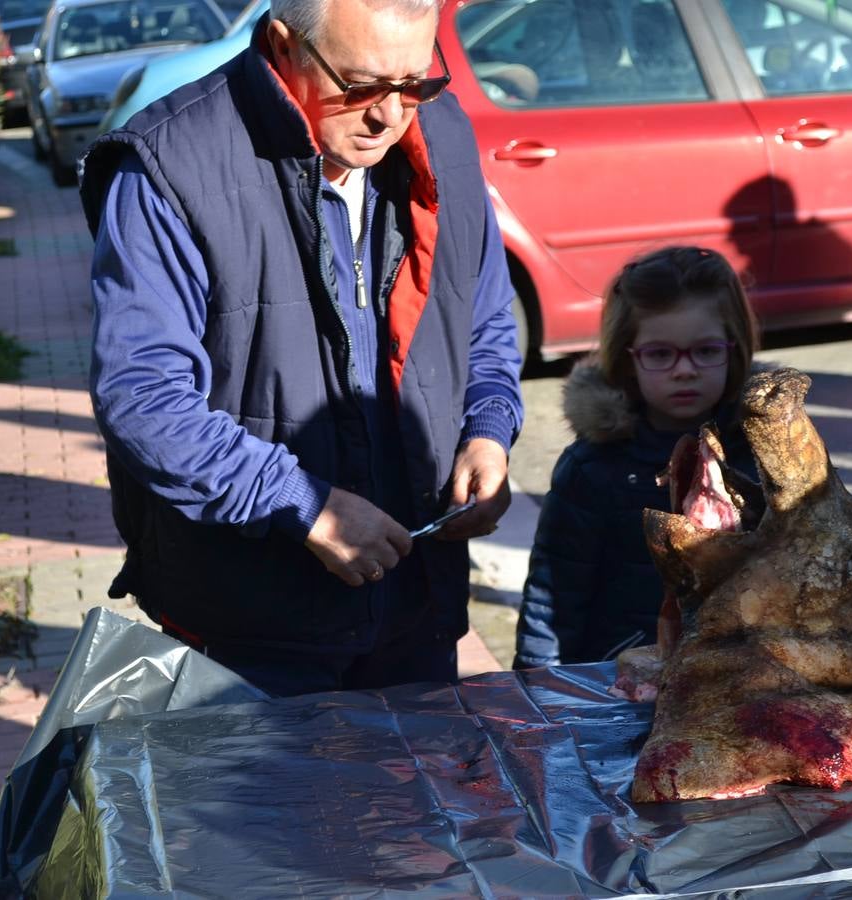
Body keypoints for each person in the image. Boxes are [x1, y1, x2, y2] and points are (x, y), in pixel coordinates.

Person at [77, 0, 524, 697]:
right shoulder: (168, 167)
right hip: (250, 632)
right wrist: (301, 503)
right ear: (285, 45)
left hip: (415, 613)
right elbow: (143, 399)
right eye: (362, 85)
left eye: (416, 81)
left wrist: (488, 431)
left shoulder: (443, 133)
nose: (391, 114)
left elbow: (485, 320)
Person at [513, 247, 759, 669]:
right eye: (660, 354)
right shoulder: (593, 467)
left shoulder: (762, 454)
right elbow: (555, 593)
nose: (685, 370)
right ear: (628, 358)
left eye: (705, 350)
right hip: (621, 677)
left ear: (734, 349)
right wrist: (540, 688)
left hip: (740, 675)